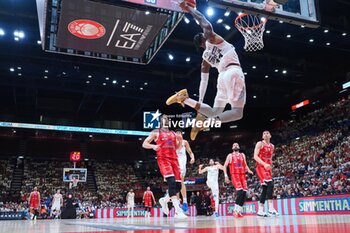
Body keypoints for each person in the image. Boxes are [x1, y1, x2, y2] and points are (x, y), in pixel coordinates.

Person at [166, 1, 246, 140]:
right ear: (203, 39)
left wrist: (199, 104)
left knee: (215, 112)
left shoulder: (205, 57)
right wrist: (190, 9)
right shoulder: (212, 39)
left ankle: (186, 99)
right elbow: (204, 22)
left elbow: (204, 80)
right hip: (233, 72)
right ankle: (206, 122)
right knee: (238, 113)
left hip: (222, 78)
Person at [142, 115, 187, 219]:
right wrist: (153, 146)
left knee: (178, 186)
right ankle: (178, 211)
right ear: (161, 122)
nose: (165, 121)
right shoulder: (156, 132)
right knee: (171, 182)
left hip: (174, 160)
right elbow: (144, 143)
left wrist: (180, 140)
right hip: (164, 160)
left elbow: (177, 148)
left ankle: (164, 200)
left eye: (167, 119)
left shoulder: (173, 133)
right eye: (163, 119)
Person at [224, 143, 253, 218]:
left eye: (237, 145)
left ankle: (239, 211)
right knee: (240, 192)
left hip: (242, 175)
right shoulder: (230, 155)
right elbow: (225, 166)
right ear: (232, 148)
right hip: (235, 175)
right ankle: (235, 210)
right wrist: (226, 176)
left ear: (239, 147)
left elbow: (245, 165)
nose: (235, 146)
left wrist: (249, 170)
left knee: (244, 194)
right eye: (234, 145)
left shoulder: (242, 155)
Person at [253, 130, 279, 217]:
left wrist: (270, 166)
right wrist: (264, 164)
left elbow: (270, 158)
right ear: (262, 136)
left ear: (270, 135)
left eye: (267, 133)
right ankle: (271, 209)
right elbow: (255, 156)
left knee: (265, 189)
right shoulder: (260, 144)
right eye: (264, 133)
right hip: (261, 167)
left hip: (268, 168)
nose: (265, 134)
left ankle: (260, 210)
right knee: (270, 185)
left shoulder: (272, 146)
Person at [175, 129, 195, 212]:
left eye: (180, 133)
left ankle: (185, 202)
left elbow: (190, 152)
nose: (179, 135)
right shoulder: (172, 142)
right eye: (177, 133)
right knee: (176, 184)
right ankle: (177, 204)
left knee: (181, 182)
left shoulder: (184, 142)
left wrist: (193, 157)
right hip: (174, 164)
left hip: (182, 165)